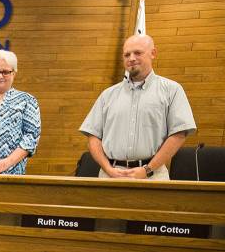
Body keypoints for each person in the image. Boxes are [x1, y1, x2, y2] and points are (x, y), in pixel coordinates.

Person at [80, 34, 196, 180]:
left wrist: (148, 169)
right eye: (127, 54)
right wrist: (108, 168)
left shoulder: (172, 90)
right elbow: (93, 136)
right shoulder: (107, 95)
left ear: (153, 53)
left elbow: (179, 134)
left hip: (152, 176)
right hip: (110, 176)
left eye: (138, 53)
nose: (131, 58)